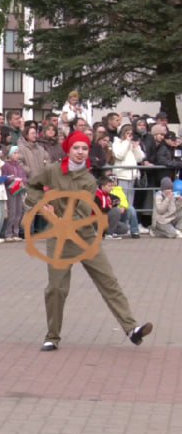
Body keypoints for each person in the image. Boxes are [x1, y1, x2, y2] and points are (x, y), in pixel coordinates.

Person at [24, 131, 153, 352]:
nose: (80, 152)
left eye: (84, 148)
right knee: (56, 289)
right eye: (76, 148)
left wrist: (58, 215)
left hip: (84, 237)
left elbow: (81, 214)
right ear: (68, 149)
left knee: (108, 281)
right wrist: (42, 204)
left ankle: (132, 329)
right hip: (59, 239)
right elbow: (32, 187)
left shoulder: (89, 180)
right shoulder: (52, 170)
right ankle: (52, 336)